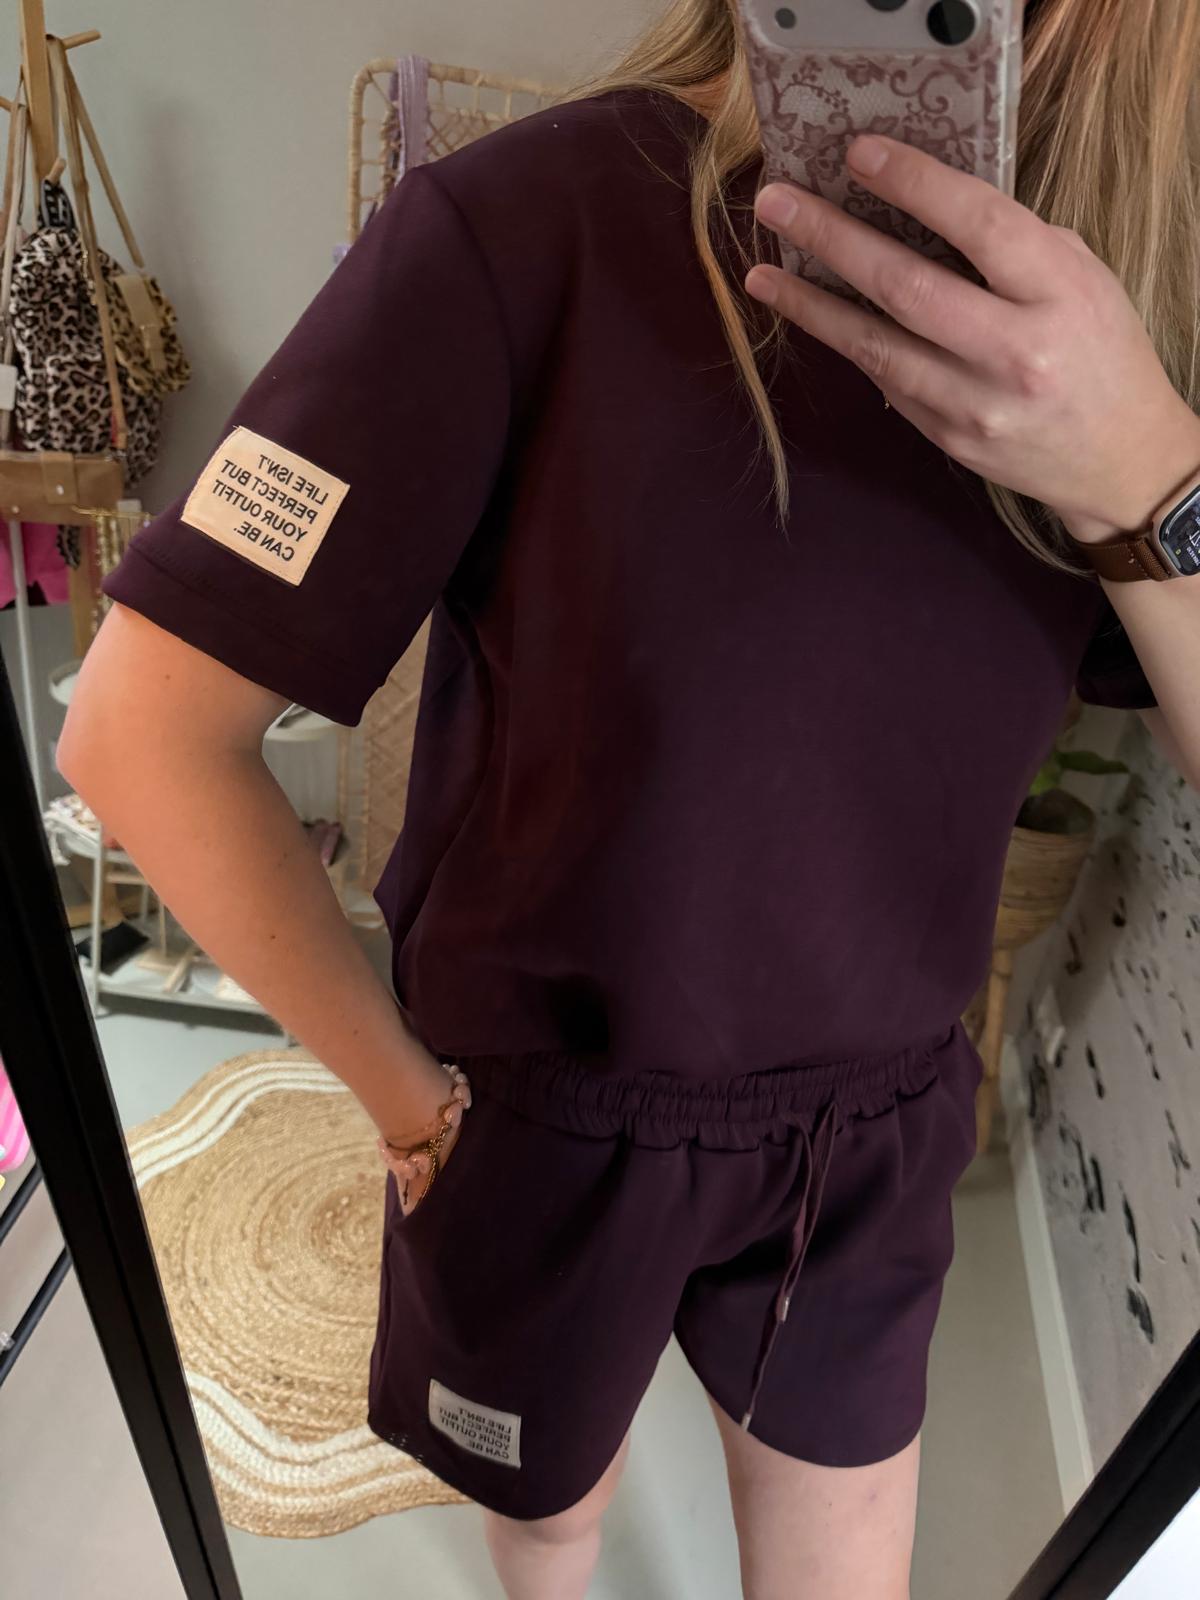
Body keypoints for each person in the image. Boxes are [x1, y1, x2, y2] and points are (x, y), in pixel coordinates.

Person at [60, 1, 1200, 1596]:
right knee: (547, 1518)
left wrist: (1150, 478)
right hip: (538, 1124)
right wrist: (408, 1102)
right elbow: (141, 732)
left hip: (872, 1141)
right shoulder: (521, 230)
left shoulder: (1133, 329)